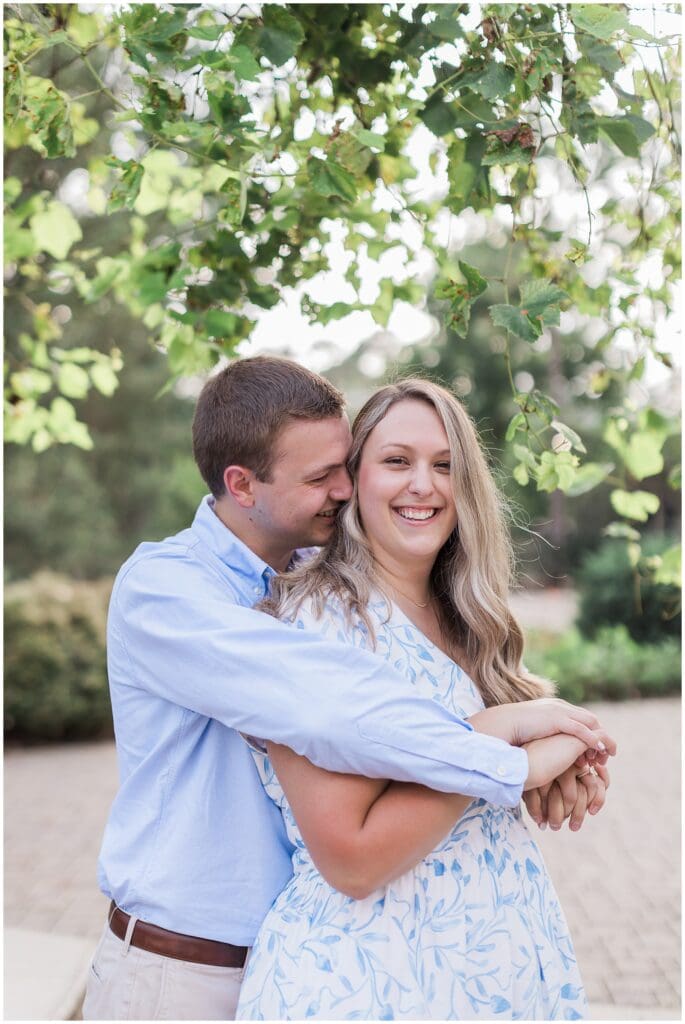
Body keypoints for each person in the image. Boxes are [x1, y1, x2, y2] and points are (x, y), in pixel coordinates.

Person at [83, 357, 613, 1021]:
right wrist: (509, 748)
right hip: (183, 968)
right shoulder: (175, 595)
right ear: (242, 485)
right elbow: (331, 709)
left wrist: (550, 749)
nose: (342, 488)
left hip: (369, 956)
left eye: (445, 464)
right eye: (326, 474)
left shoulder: (330, 577)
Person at [236, 378, 601, 1020]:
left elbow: (471, 777)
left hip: (488, 974)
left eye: (445, 466)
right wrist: (501, 738)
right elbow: (351, 858)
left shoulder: (469, 620)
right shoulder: (319, 624)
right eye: (397, 461)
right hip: (372, 981)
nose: (423, 485)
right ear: (352, 480)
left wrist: (553, 766)